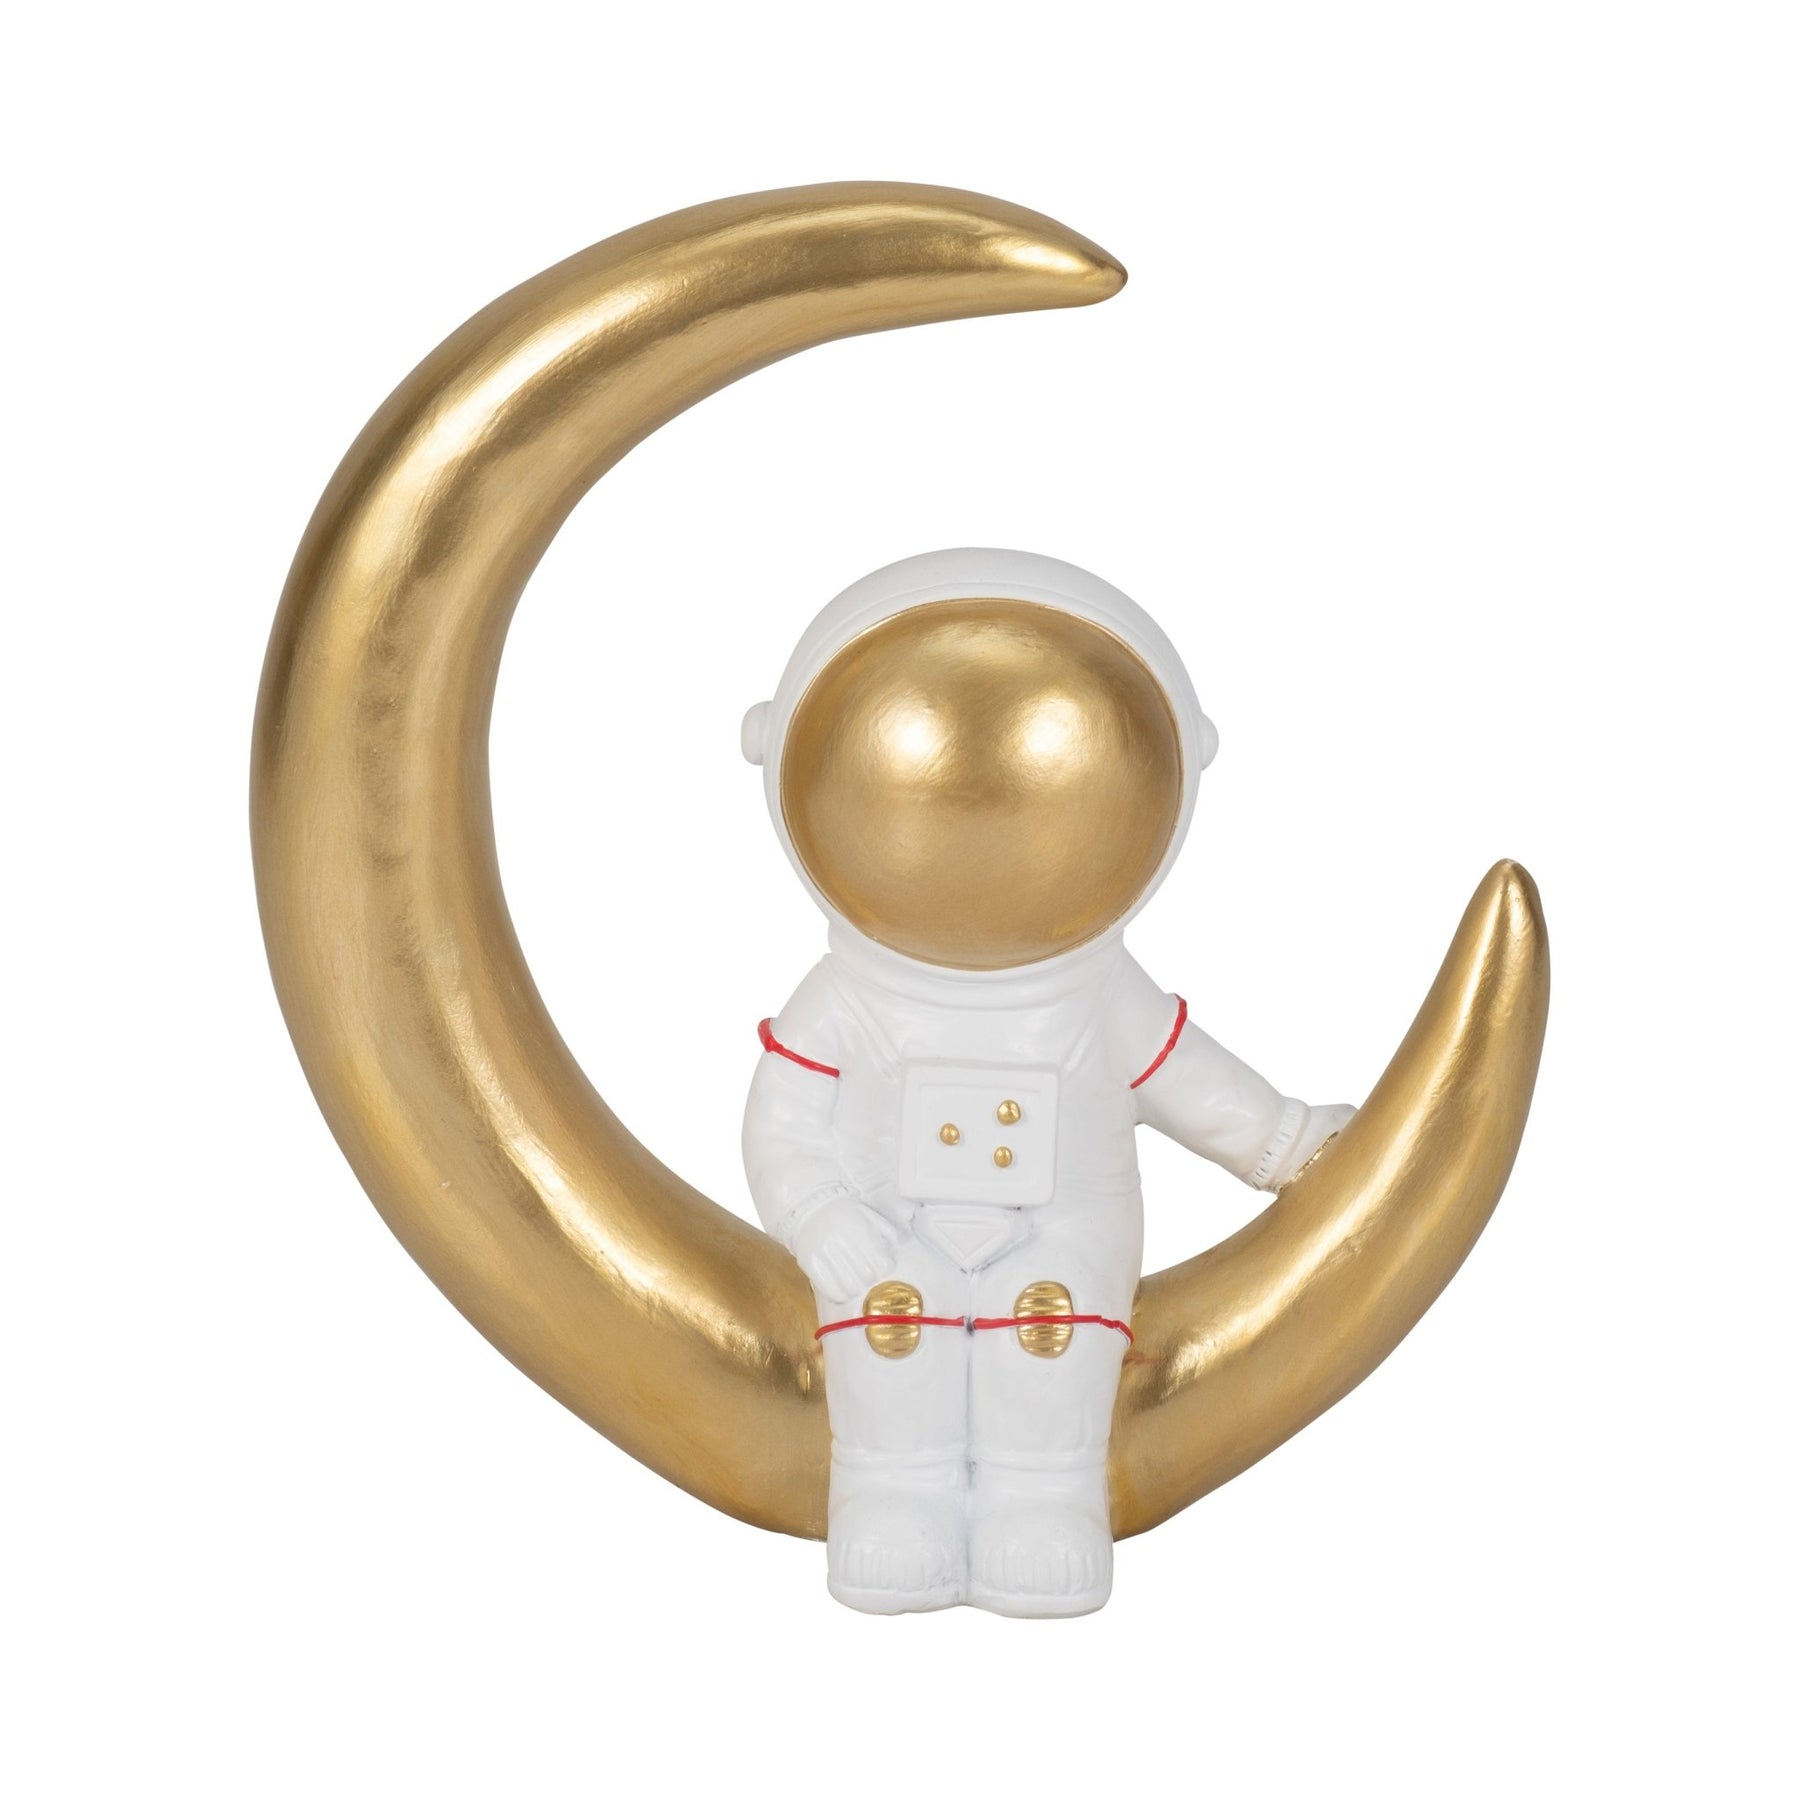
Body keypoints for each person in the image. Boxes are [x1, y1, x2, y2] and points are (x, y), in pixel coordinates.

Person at [741, 548, 1354, 1617]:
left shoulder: (1100, 993)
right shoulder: (843, 998)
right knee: (890, 1328)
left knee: (1051, 1332)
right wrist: (818, 1212)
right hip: (885, 1227)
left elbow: (1188, 1079)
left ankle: (1046, 1502)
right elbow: (781, 1122)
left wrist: (1286, 1144)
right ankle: (889, 1495)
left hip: (1065, 1227)